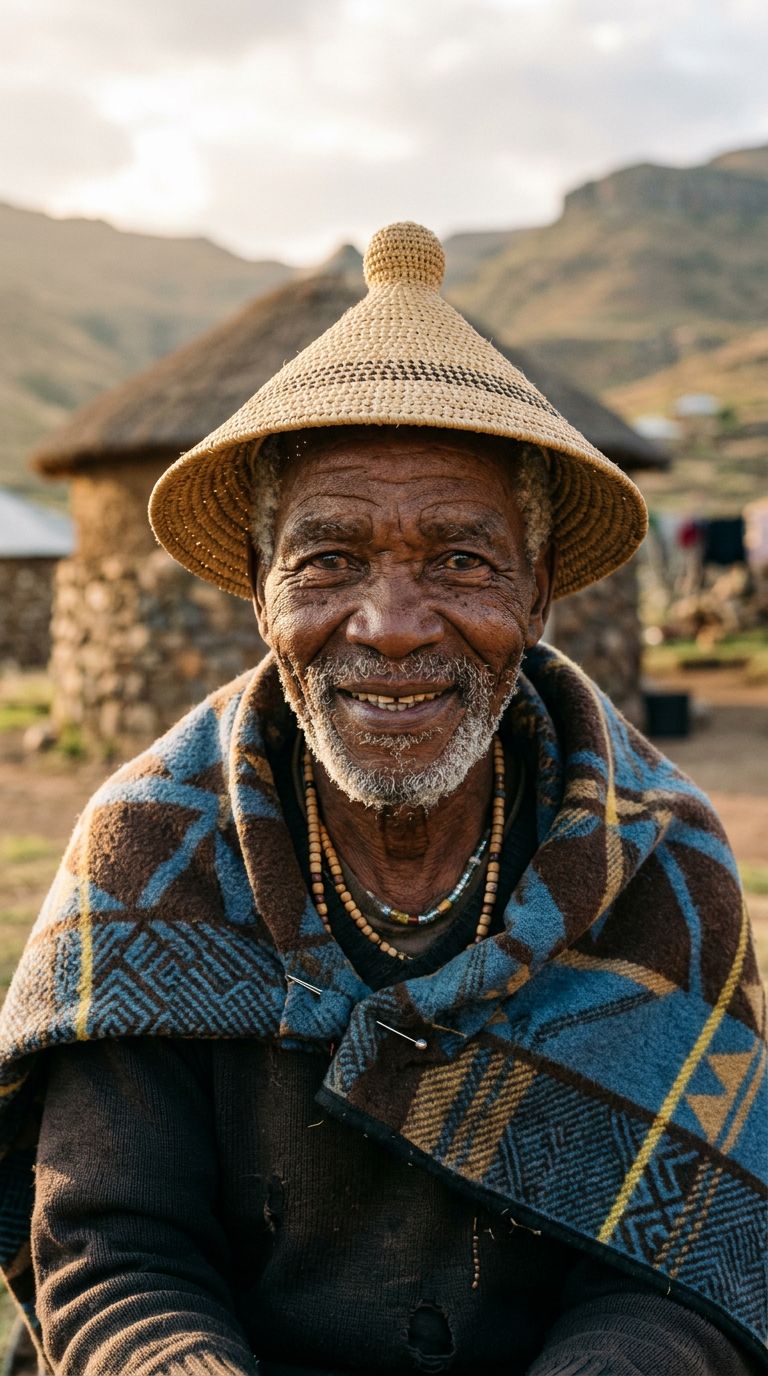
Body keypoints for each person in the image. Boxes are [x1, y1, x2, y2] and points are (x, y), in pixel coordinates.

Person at [0, 223, 765, 1376]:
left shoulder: (658, 861)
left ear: (538, 594)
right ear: (261, 595)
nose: (393, 625)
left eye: (460, 560)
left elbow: (685, 1270)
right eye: (329, 560)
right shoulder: (149, 847)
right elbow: (112, 1248)